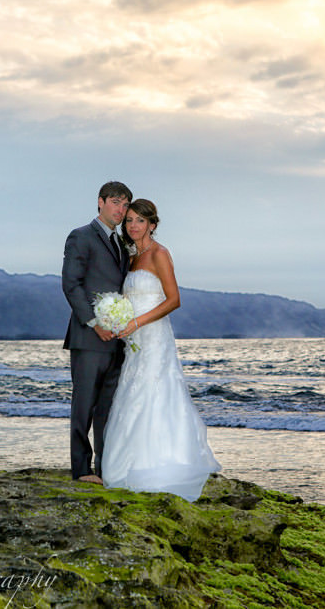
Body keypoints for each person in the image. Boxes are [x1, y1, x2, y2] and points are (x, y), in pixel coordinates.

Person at [102, 199, 221, 501]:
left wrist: (138, 321)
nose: (133, 226)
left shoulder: (159, 254)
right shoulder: (130, 257)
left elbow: (173, 300)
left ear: (152, 225)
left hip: (153, 335)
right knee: (132, 392)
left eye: (140, 221)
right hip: (133, 340)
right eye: (129, 220)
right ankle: (126, 464)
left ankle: (159, 463)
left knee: (154, 391)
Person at [62, 181, 133, 484]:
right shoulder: (81, 236)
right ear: (101, 202)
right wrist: (94, 323)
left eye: (126, 204)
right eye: (116, 202)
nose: (121, 209)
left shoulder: (121, 243)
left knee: (108, 409)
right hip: (89, 338)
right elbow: (71, 284)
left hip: (117, 341)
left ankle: (106, 470)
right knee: (84, 407)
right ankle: (81, 470)